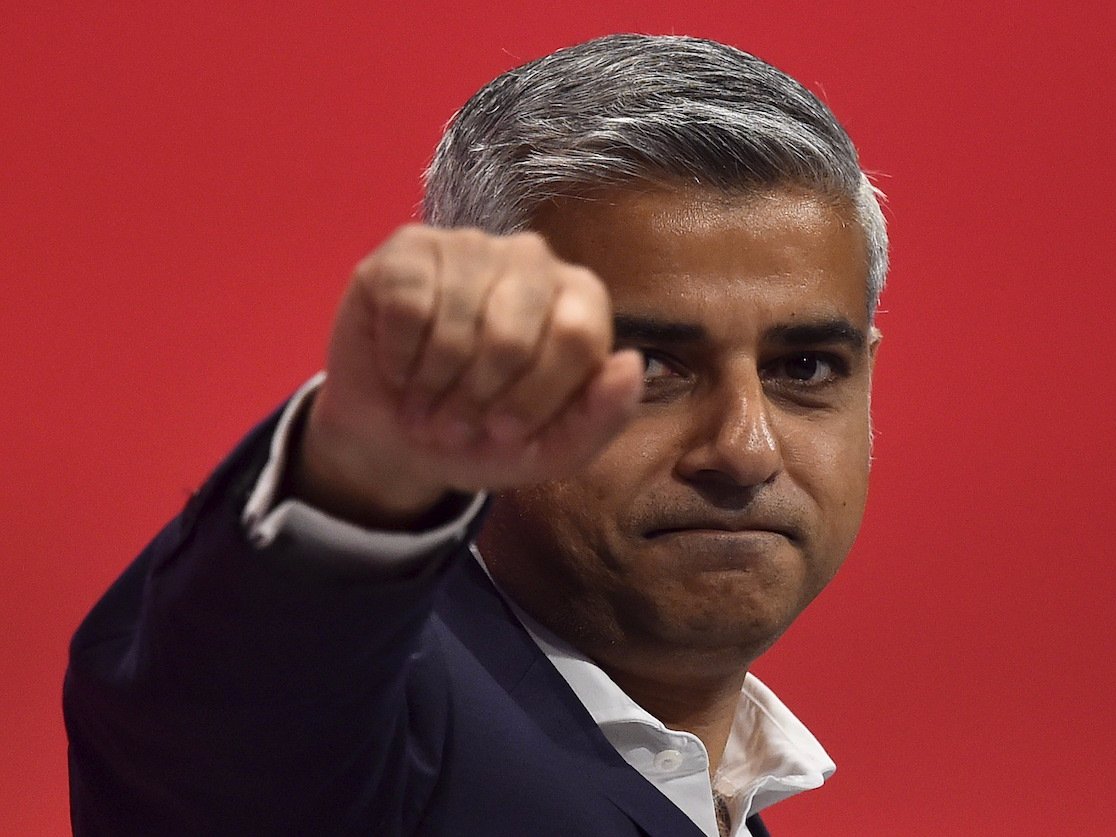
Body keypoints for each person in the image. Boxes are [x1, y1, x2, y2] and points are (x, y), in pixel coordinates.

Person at [64, 33, 887, 837]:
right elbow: (210, 737)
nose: (746, 449)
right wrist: (361, 477)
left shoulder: (721, 791)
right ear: (489, 354)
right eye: (647, 367)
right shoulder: (367, 735)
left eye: (805, 368)